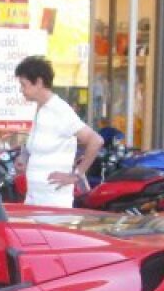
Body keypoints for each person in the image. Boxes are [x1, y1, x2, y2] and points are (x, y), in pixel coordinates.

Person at [14, 55, 103, 208]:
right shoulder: (40, 109)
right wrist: (24, 157)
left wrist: (76, 175)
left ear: (39, 83)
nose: (22, 90)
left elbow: (96, 140)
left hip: (53, 201)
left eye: (24, 85)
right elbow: (38, 145)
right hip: (34, 197)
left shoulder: (60, 110)